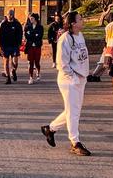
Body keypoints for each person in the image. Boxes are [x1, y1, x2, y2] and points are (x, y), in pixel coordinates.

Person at [41, 11, 91, 156]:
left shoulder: (80, 36)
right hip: (69, 81)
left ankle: (50, 129)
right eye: (80, 19)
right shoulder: (65, 39)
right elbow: (61, 63)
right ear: (73, 23)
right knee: (73, 112)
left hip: (81, 78)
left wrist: (84, 75)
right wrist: (73, 77)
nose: (83, 21)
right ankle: (75, 142)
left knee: (73, 111)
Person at [0, 10, 22, 84]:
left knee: (15, 62)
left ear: (13, 15)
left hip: (15, 46)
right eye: (9, 14)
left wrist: (19, 44)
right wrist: (1, 47)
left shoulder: (17, 24)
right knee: (6, 62)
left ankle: (13, 71)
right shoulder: (3, 24)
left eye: (11, 14)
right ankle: (8, 77)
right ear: (7, 15)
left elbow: (20, 35)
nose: (10, 16)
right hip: (5, 46)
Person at [24, 13, 44, 85]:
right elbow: (27, 35)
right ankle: (31, 77)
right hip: (30, 46)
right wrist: (33, 35)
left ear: (35, 19)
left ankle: (38, 72)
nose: (30, 19)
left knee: (37, 61)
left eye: (32, 18)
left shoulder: (40, 27)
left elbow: (39, 36)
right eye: (30, 18)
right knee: (30, 62)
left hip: (37, 46)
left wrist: (33, 35)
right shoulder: (28, 27)